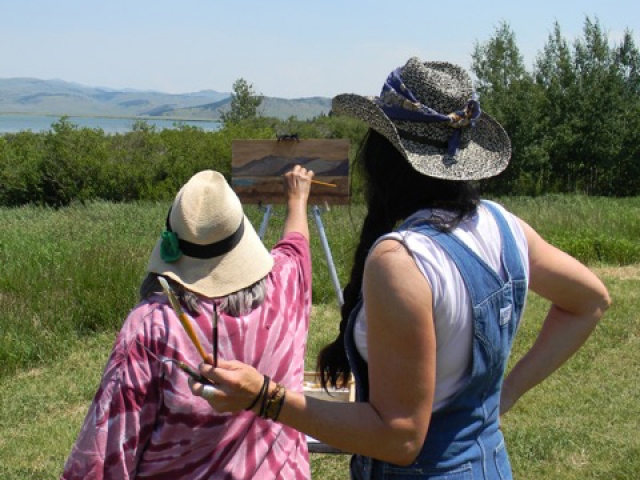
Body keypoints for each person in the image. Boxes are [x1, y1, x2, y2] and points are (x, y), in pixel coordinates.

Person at [189, 57, 611, 479]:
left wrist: (264, 396)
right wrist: (505, 394)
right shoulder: (503, 225)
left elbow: (399, 439)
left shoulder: (402, 261)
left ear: (383, 155)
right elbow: (590, 301)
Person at [61, 165, 315, 480]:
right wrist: (298, 198)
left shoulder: (153, 328)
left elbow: (102, 458)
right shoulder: (286, 283)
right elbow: (296, 243)